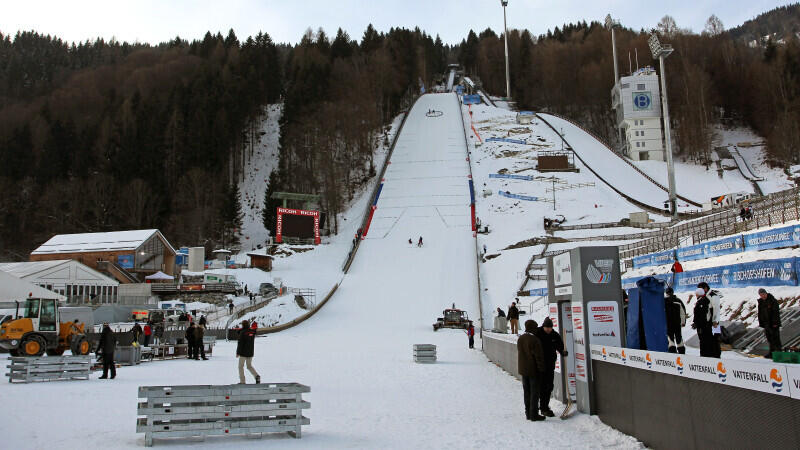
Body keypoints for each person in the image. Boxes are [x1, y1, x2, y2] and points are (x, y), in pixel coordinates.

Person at [535, 317, 566, 417]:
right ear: (543, 326)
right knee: (541, 386)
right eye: (546, 328)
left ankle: (545, 406)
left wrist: (563, 352)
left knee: (549, 386)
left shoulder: (554, 334)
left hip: (550, 365)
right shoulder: (537, 333)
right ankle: (542, 407)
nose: (548, 329)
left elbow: (560, 346)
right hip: (539, 365)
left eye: (550, 328)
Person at [517, 319, 546, 421]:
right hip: (533, 370)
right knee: (534, 393)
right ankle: (534, 414)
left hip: (523, 370)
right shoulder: (534, 340)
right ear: (532, 328)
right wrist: (542, 369)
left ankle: (528, 413)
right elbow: (539, 357)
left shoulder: (521, 338)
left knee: (527, 392)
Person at [691, 287, 720, 358]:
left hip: (706, 325)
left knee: (707, 341)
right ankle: (708, 354)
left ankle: (707, 355)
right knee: (707, 340)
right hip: (707, 324)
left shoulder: (704, 301)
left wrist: (699, 324)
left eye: (696, 294)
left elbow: (703, 315)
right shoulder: (702, 301)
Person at [757, 288, 782, 358]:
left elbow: (775, 313)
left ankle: (778, 353)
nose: (763, 296)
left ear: (766, 293)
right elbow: (760, 313)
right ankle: (771, 353)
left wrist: (775, 323)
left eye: (763, 294)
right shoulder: (761, 302)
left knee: (776, 338)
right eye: (761, 295)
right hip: (766, 324)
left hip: (773, 324)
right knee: (769, 339)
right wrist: (761, 323)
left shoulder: (772, 301)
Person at [237, 320, 261, 384]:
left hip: (243, 353)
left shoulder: (242, 332)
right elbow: (254, 331)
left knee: (240, 366)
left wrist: (238, 352)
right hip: (250, 352)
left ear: (243, 325)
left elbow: (240, 343)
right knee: (249, 366)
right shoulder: (252, 332)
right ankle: (256, 376)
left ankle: (242, 381)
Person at [664, 287, 687, 354]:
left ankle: (672, 351)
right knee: (679, 336)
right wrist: (683, 322)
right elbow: (683, 313)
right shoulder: (678, 300)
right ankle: (681, 350)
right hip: (677, 323)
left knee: (670, 337)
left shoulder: (664, 301)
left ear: (666, 293)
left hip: (668, 323)